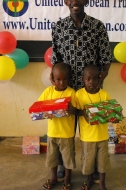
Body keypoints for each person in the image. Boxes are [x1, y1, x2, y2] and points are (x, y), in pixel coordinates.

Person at [51, 0, 113, 182]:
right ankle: (62, 164)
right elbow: (56, 57)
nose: (74, 2)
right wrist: (54, 77)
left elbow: (106, 57)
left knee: (92, 130)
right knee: (64, 130)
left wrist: (103, 75)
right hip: (66, 89)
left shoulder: (97, 26)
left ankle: (93, 166)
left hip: (91, 89)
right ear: (65, 2)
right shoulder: (59, 27)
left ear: (86, 0)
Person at [38, 62, 76, 190]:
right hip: (52, 132)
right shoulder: (48, 91)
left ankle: (67, 178)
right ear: (52, 78)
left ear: (69, 78)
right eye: (58, 79)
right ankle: (54, 177)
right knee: (52, 157)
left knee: (68, 158)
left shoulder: (71, 93)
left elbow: (77, 109)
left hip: (66, 133)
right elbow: (40, 107)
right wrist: (45, 112)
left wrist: (72, 110)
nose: (61, 82)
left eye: (65, 79)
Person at [75, 64, 111, 190]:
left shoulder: (105, 94)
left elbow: (109, 112)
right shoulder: (79, 94)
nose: (91, 82)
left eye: (95, 79)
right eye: (88, 79)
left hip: (102, 136)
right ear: (83, 79)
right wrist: (84, 112)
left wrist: (114, 115)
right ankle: (89, 180)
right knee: (88, 160)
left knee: (102, 161)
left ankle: (102, 183)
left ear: (99, 79)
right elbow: (75, 111)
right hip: (87, 136)